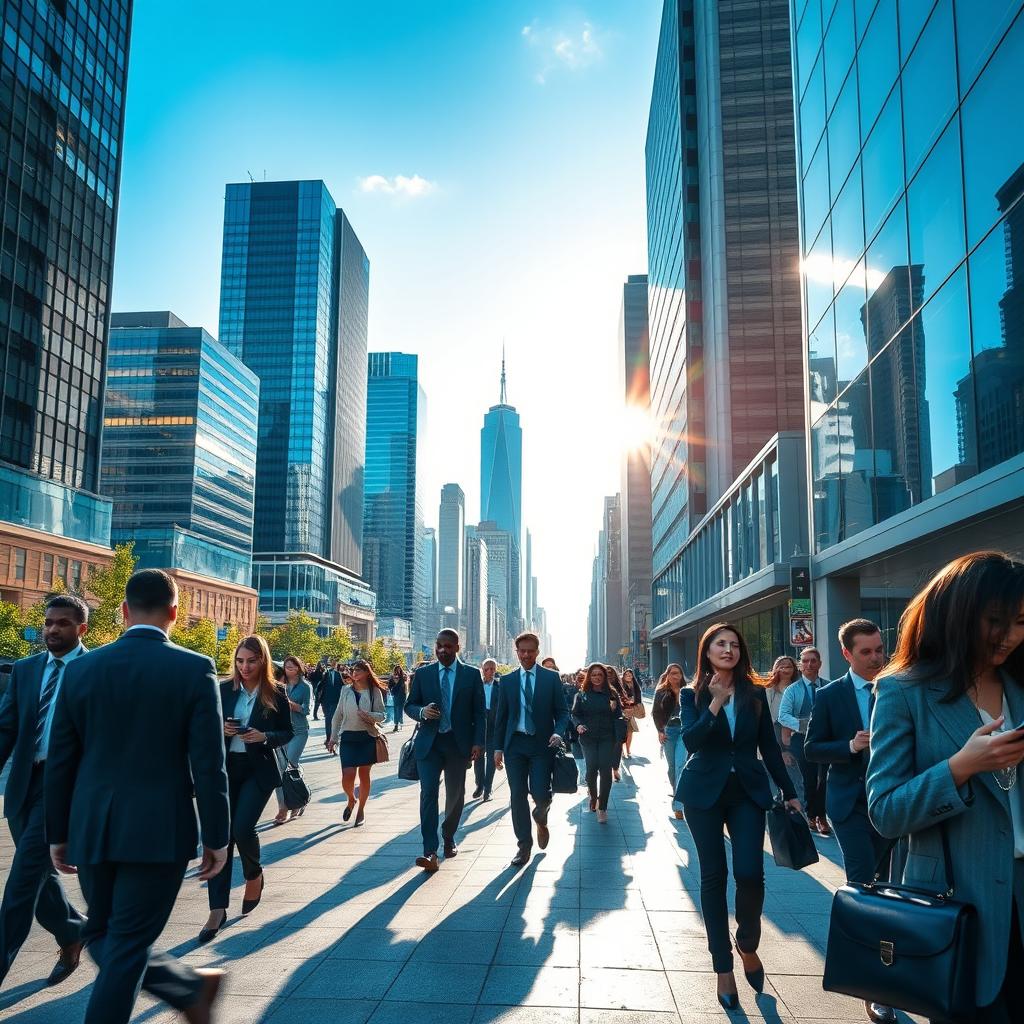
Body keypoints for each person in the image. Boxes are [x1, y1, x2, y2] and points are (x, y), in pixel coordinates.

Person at [44, 569, 229, 1024]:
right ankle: (188, 987)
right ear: (175, 612)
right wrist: (218, 837)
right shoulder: (194, 667)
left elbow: (61, 760)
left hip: (92, 826)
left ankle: (188, 987)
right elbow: (208, 763)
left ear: (123, 611)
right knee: (122, 941)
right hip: (158, 827)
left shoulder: (82, 668)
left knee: (106, 934)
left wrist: (58, 831)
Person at [867, 552, 1024, 1023]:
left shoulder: (1019, 684)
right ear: (956, 615)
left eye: (1022, 621)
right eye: (996, 621)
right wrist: (958, 768)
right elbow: (885, 810)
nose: (1012, 635)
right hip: (958, 907)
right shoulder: (904, 690)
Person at [677, 622, 800, 1011]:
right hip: (703, 793)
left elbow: (767, 745)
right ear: (707, 651)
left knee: (750, 872)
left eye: (733, 644)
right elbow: (692, 741)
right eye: (719, 644)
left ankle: (747, 941)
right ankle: (722, 967)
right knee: (714, 876)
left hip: (747, 790)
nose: (727, 649)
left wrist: (791, 792)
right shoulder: (690, 693)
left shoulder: (754, 694)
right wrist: (713, 702)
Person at [804, 619, 893, 1024]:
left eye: (879, 649)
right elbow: (812, 749)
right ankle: (872, 986)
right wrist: (848, 746)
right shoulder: (829, 696)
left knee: (889, 889)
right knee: (862, 884)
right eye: (867, 652)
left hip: (893, 803)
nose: (876, 657)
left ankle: (890, 969)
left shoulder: (898, 685)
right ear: (846, 654)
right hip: (849, 805)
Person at [0, 595, 89, 988]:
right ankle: (72, 930)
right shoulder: (25, 669)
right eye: (49, 622)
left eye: (63, 623)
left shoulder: (95, 669)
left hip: (65, 786)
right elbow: (6, 728)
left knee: (20, 884)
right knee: (37, 873)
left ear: (81, 628)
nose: (52, 629)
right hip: (24, 783)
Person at [202, 635, 292, 943]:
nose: (245, 667)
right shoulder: (222, 689)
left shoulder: (276, 693)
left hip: (258, 770)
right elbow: (203, 730)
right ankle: (217, 910)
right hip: (226, 770)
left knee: (242, 828)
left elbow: (286, 733)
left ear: (263, 661)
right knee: (221, 837)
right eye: (240, 661)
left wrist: (263, 736)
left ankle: (254, 874)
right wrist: (221, 730)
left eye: (251, 661)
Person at [405, 630, 485, 872]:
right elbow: (410, 705)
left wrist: (478, 742)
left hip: (457, 745)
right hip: (429, 744)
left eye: (448, 646)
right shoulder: (423, 673)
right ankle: (429, 850)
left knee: (455, 795)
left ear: (457, 647)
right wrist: (422, 712)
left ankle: (449, 837)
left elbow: (479, 713)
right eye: (439, 645)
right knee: (428, 793)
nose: (442, 650)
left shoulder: (471, 675)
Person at [494, 632, 569, 867]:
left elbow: (563, 712)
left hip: (542, 745)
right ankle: (523, 846)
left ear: (537, 652)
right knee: (517, 794)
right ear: (517, 652)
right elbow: (501, 718)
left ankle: (541, 816)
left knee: (540, 794)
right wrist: (497, 748)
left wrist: (558, 732)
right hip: (515, 745)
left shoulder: (551, 678)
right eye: (521, 651)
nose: (525, 655)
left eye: (530, 651)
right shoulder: (506, 681)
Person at [327, 659, 387, 825]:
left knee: (364, 774)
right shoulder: (345, 690)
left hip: (367, 737)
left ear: (367, 672)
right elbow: (338, 715)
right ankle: (351, 799)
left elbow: (382, 715)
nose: (355, 673)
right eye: (353, 670)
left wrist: (369, 716)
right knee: (347, 775)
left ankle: (361, 810)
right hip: (348, 737)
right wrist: (332, 738)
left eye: (359, 670)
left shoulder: (375, 691)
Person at [778, 646, 830, 835]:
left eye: (813, 660)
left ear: (819, 664)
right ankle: (811, 815)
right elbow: (783, 716)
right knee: (808, 779)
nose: (809, 664)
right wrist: (804, 725)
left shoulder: (829, 686)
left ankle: (821, 816)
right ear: (800, 665)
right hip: (802, 740)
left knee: (824, 779)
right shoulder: (792, 690)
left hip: (825, 740)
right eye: (805, 661)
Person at [571, 663, 624, 823]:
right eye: (593, 675)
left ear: (604, 677)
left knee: (606, 771)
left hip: (608, 737)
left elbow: (618, 716)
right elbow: (575, 715)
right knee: (591, 769)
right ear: (589, 677)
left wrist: (615, 712)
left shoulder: (612, 693)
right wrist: (578, 725)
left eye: (600, 675)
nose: (597, 678)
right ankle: (593, 797)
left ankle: (603, 808)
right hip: (588, 737)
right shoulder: (582, 694)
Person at [273, 656, 311, 824]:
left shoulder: (305, 687)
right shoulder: (280, 683)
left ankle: (296, 802)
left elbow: (306, 710)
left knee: (290, 765)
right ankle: (285, 805)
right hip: (283, 731)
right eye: (287, 667)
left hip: (299, 731)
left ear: (298, 669)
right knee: (281, 769)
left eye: (292, 667)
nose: (289, 670)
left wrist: (290, 704)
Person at [764, 655, 804, 804]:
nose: (785, 669)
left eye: (789, 666)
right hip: (774, 741)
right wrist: (781, 749)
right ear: (775, 669)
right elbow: (767, 721)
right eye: (782, 666)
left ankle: (800, 818)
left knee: (797, 781)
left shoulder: (799, 689)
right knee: (773, 783)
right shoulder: (768, 691)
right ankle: (778, 817)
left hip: (796, 740)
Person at [652, 662, 686, 820]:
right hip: (669, 731)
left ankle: (678, 805)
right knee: (672, 767)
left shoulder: (688, 690)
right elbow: (656, 713)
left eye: (678, 673)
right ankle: (675, 791)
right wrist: (660, 731)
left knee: (680, 765)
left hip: (684, 732)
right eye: (672, 673)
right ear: (667, 675)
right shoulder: (661, 691)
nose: (675, 676)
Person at [473, 658, 499, 801]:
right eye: (487, 669)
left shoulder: (500, 686)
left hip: (494, 727)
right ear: (482, 669)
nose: (490, 672)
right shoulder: (476, 686)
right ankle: (479, 785)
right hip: (479, 726)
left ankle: (488, 789)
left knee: (491, 759)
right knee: (478, 758)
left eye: (493, 669)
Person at [619, 667, 644, 759]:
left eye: (630, 675)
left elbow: (638, 696)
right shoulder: (620, 685)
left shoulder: (635, 685)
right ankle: (621, 750)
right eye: (627, 675)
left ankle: (628, 749)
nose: (629, 676)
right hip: (622, 712)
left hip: (631, 711)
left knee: (630, 732)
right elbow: (618, 697)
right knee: (622, 732)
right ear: (624, 676)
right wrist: (625, 702)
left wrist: (634, 703)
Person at [320, 658, 344, 732]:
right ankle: (328, 738)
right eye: (332, 662)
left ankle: (333, 737)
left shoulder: (339, 674)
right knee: (328, 718)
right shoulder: (325, 673)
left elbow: (343, 686)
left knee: (333, 718)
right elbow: (320, 685)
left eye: (335, 662)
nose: (333, 664)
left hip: (335, 700)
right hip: (325, 700)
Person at [389, 665, 408, 732]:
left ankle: (399, 723)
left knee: (400, 710)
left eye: (400, 669)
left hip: (402, 695)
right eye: (397, 669)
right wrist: (394, 682)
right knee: (396, 710)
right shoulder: (392, 677)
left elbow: (406, 685)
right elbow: (389, 686)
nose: (398, 671)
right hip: (396, 695)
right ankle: (396, 724)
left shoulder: (403, 676)